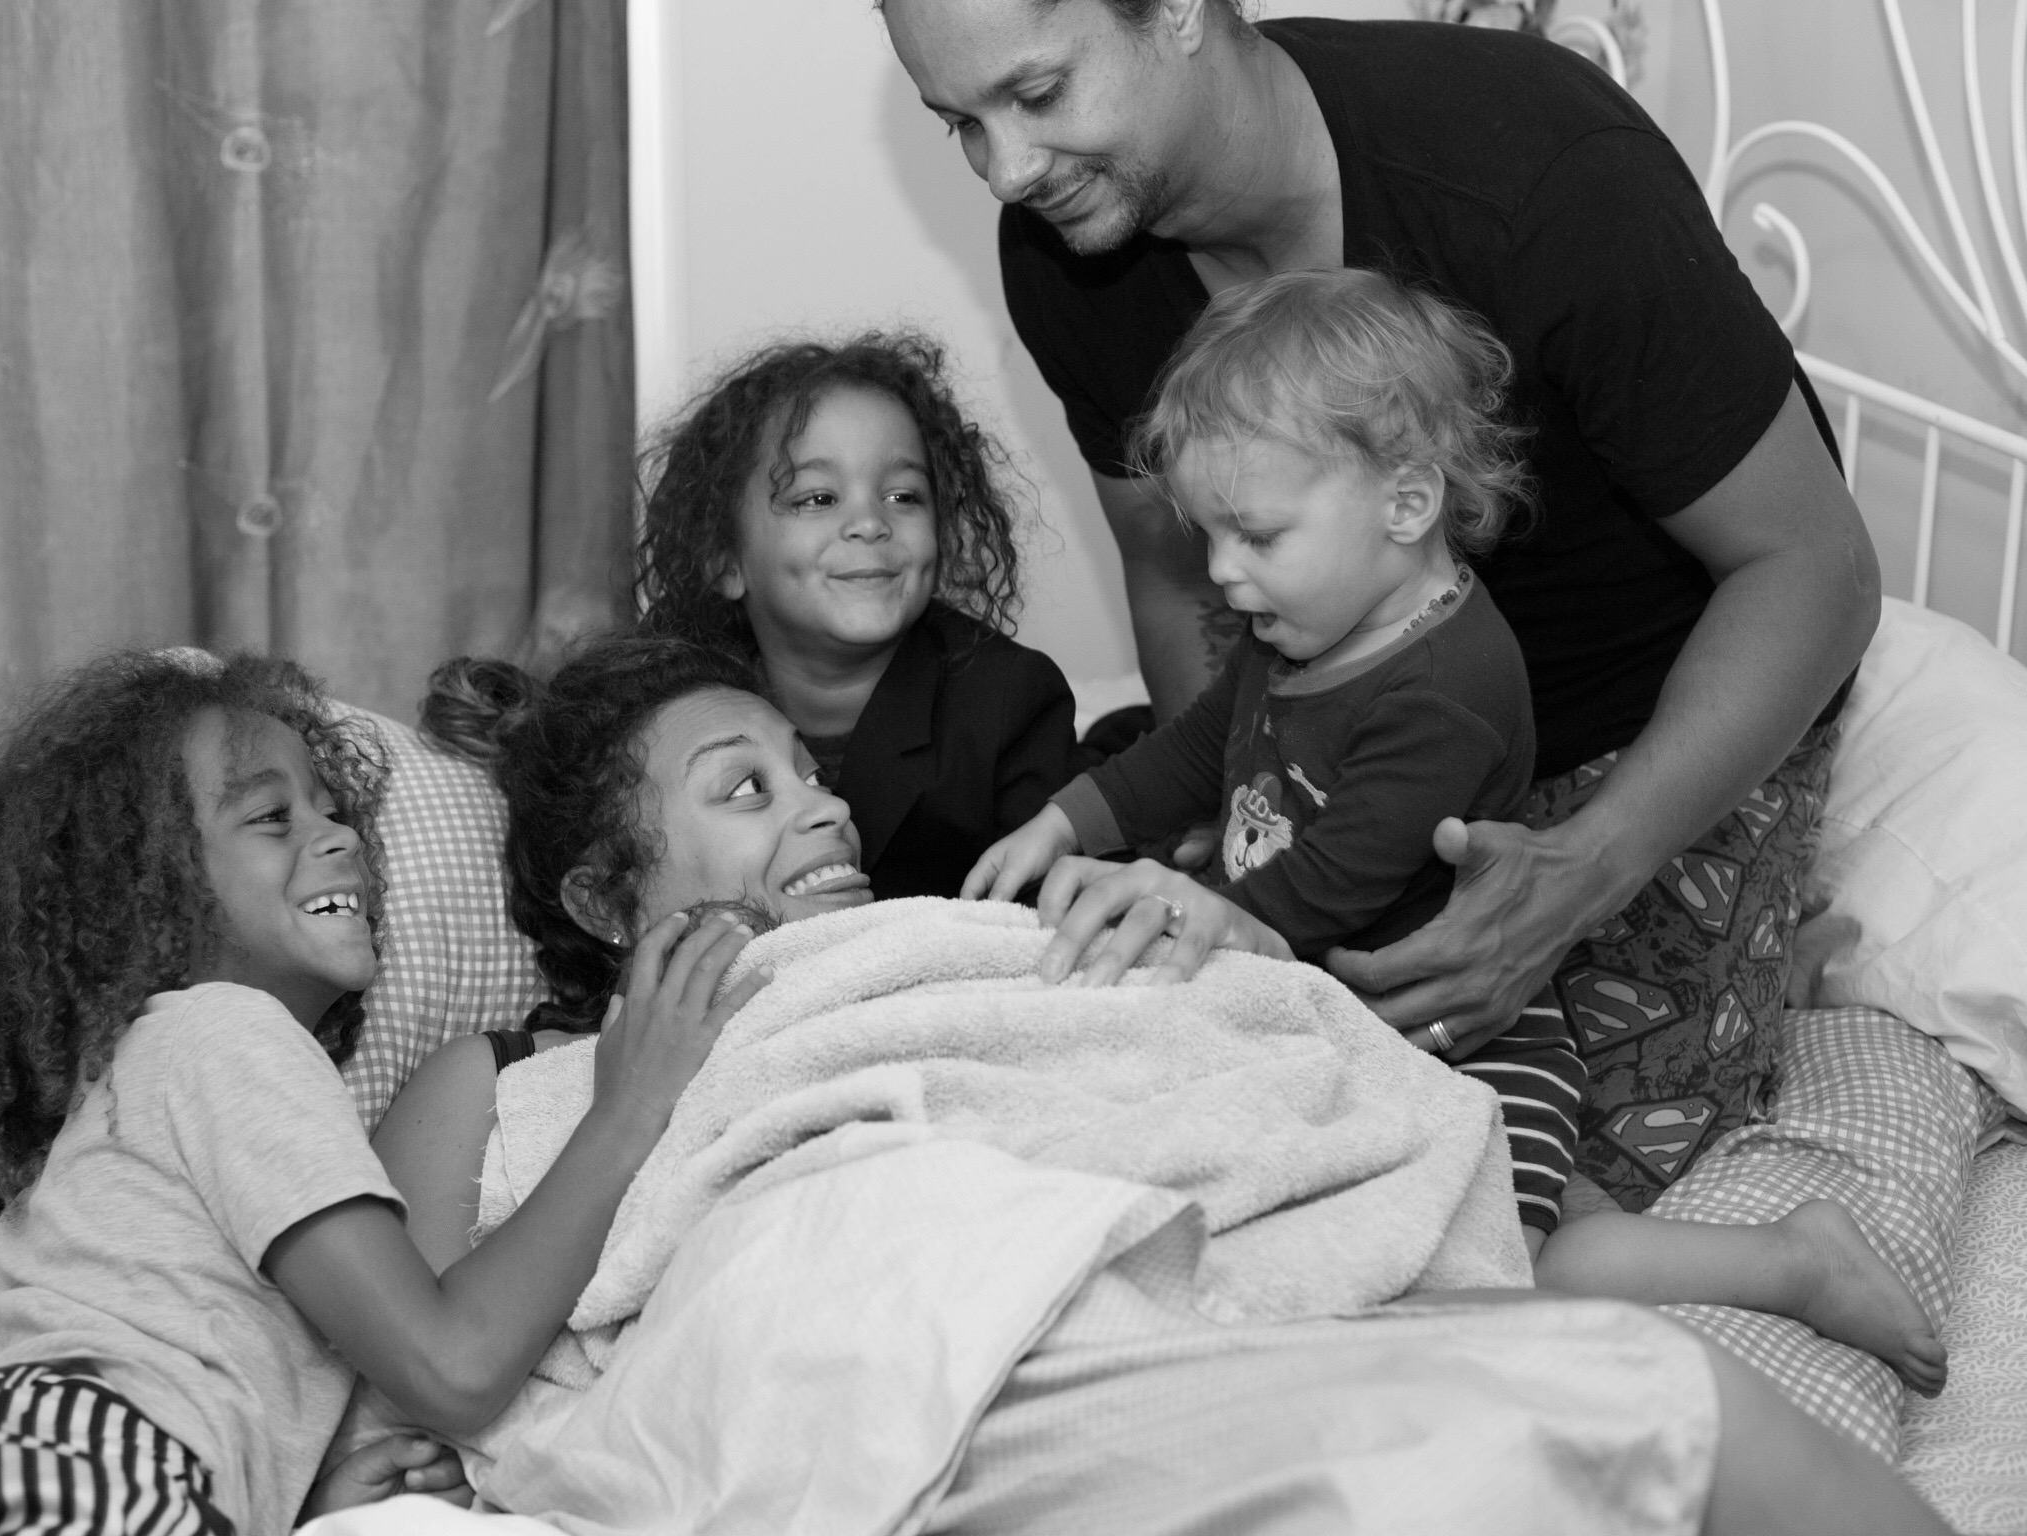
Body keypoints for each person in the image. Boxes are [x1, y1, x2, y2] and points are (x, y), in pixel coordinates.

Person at [383, 631, 1949, 1536]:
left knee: (1654, 1391)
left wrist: (1204, 937)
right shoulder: (508, 1078)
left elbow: (1230, 1082)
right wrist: (633, 1105)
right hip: (841, 1338)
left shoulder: (953, 941)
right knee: (1652, 1411)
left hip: (1086, 1293)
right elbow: (428, 1357)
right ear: (604, 904)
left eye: (812, 771)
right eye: (747, 790)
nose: (823, 812)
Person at [881, 0, 1884, 1212]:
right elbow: (1166, 567)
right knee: (1135, 1057)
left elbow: (1816, 570)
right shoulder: (1067, 252)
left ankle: (1785, 943)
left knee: (1521, 1166)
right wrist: (1242, 817)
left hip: (1641, 732)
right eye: (959, 127)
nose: (1008, 169)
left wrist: (1580, 870)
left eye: (1038, 96)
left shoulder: (1537, 177)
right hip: (1318, 715)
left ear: (1183, 14)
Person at [964, 266, 1943, 1395]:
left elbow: (1332, 883)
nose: (1223, 571)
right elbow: (1199, 749)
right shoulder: (1300, 627)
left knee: (1511, 1269)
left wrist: (1211, 910)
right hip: (1322, 995)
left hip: (1464, 1041)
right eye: (1210, 535)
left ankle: (1793, 1262)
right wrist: (1070, 816)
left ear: (1406, 505)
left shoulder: (1448, 687)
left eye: (1256, 534)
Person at [0, 650, 767, 1536]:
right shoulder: (223, 1035)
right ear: (145, 889)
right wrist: (629, 1106)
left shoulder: (152, 1092)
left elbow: (188, 1371)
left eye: (334, 811)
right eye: (270, 817)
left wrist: (289, 1503)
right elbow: (452, 1367)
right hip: (47, 1465)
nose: (338, 839)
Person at [633, 332, 1077, 901]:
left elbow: (1050, 921)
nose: (870, 523)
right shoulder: (669, 699)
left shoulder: (1010, 698)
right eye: (817, 498)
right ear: (723, 557)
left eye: (903, 496)